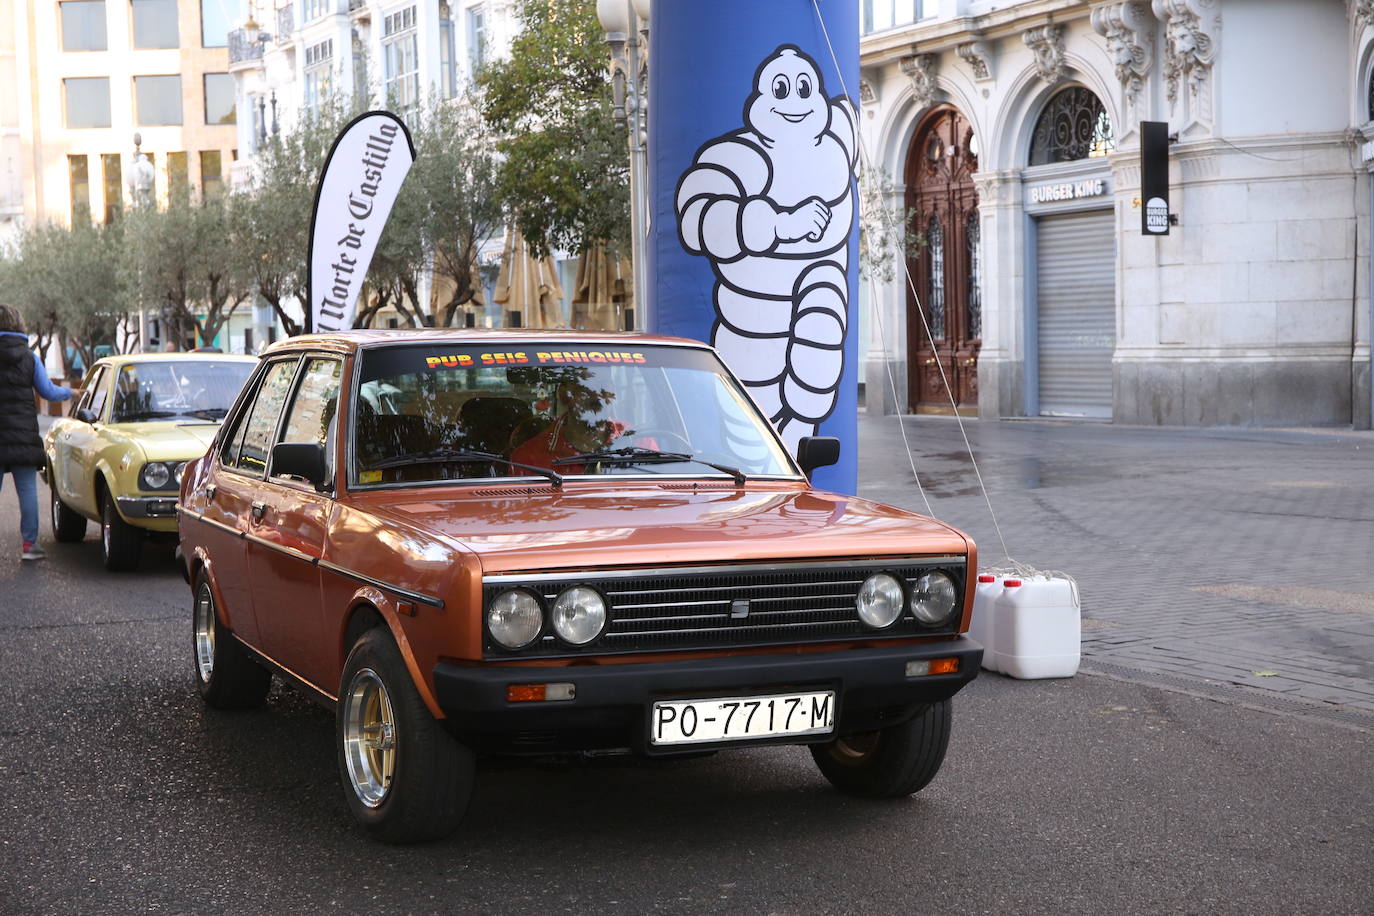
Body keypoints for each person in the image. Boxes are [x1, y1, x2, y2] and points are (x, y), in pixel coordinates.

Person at [0, 304, 79, 560]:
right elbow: (48, 392)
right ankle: (29, 546)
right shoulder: (29, 357)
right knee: (27, 491)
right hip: (22, 435)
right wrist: (72, 392)